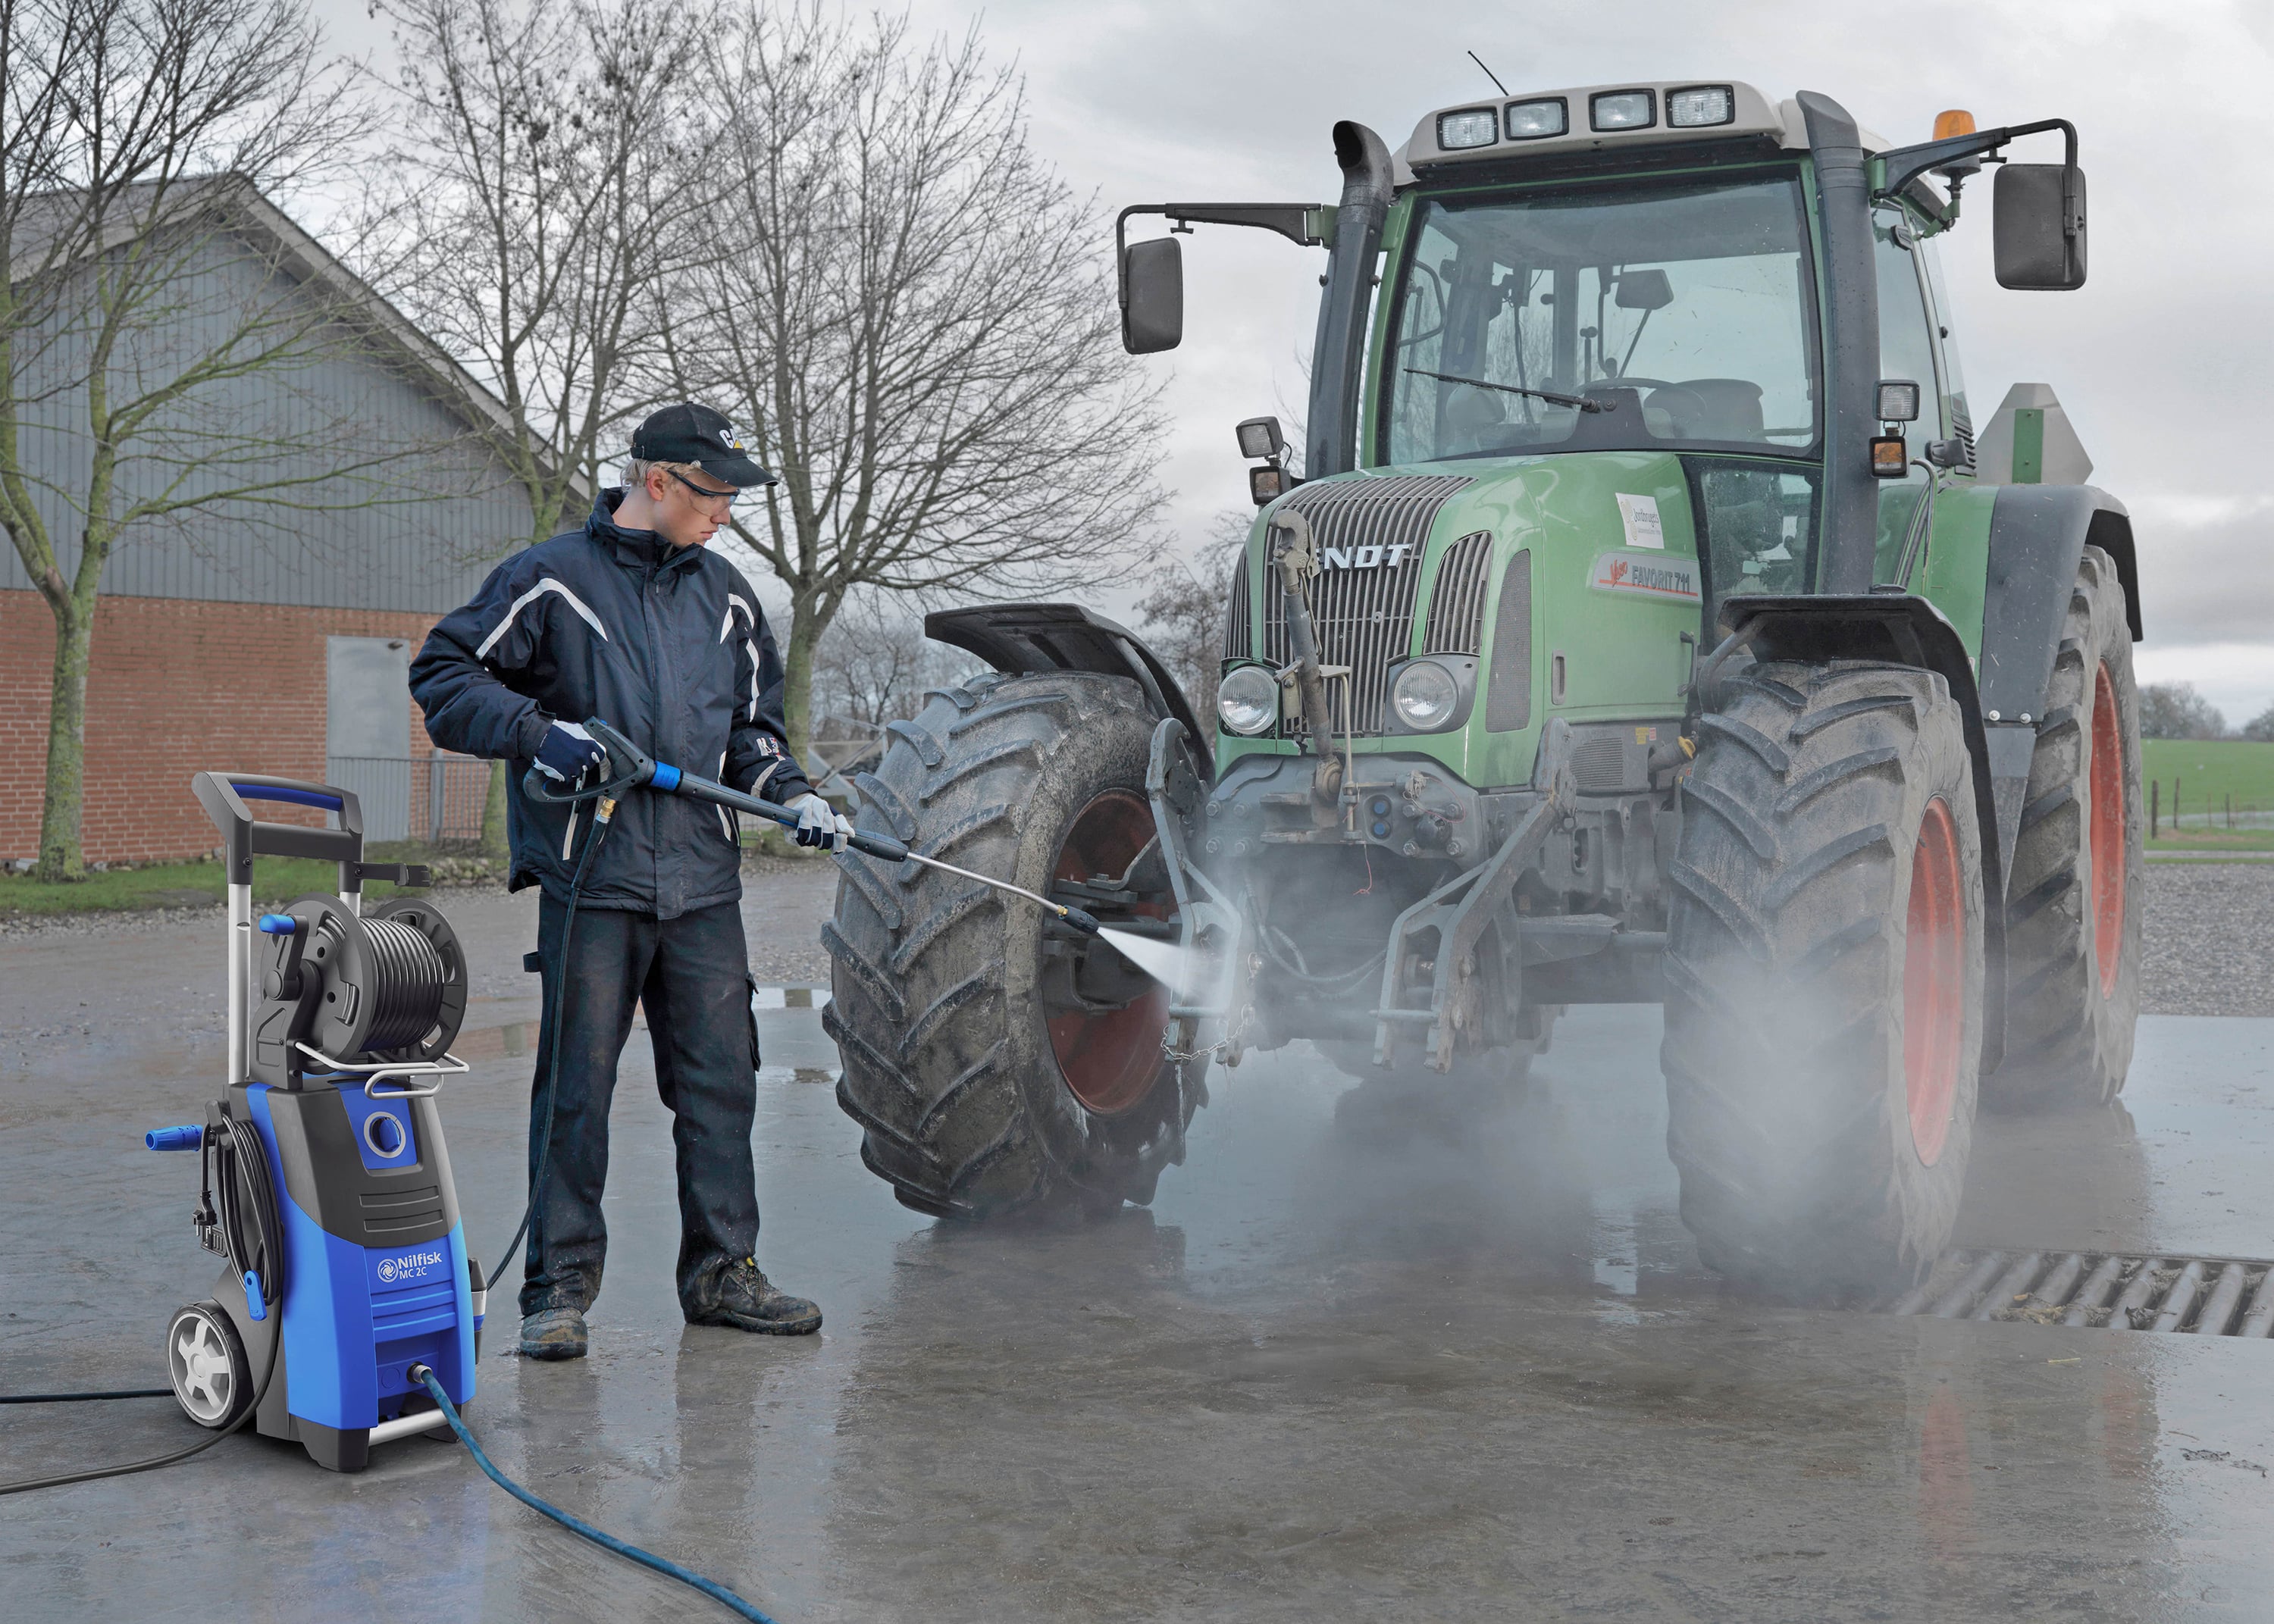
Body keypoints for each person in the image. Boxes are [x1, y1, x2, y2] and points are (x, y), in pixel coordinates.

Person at [409, 402, 853, 1361]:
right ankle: (556, 1291)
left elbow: (751, 733)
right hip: (592, 880)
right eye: (713, 494)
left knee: (721, 1082)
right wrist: (539, 734)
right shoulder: (550, 581)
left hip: (701, 884)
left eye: (733, 496)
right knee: (577, 1089)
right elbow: (444, 677)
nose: (725, 513)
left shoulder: (728, 598)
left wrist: (791, 789)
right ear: (657, 482)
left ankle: (724, 1273)